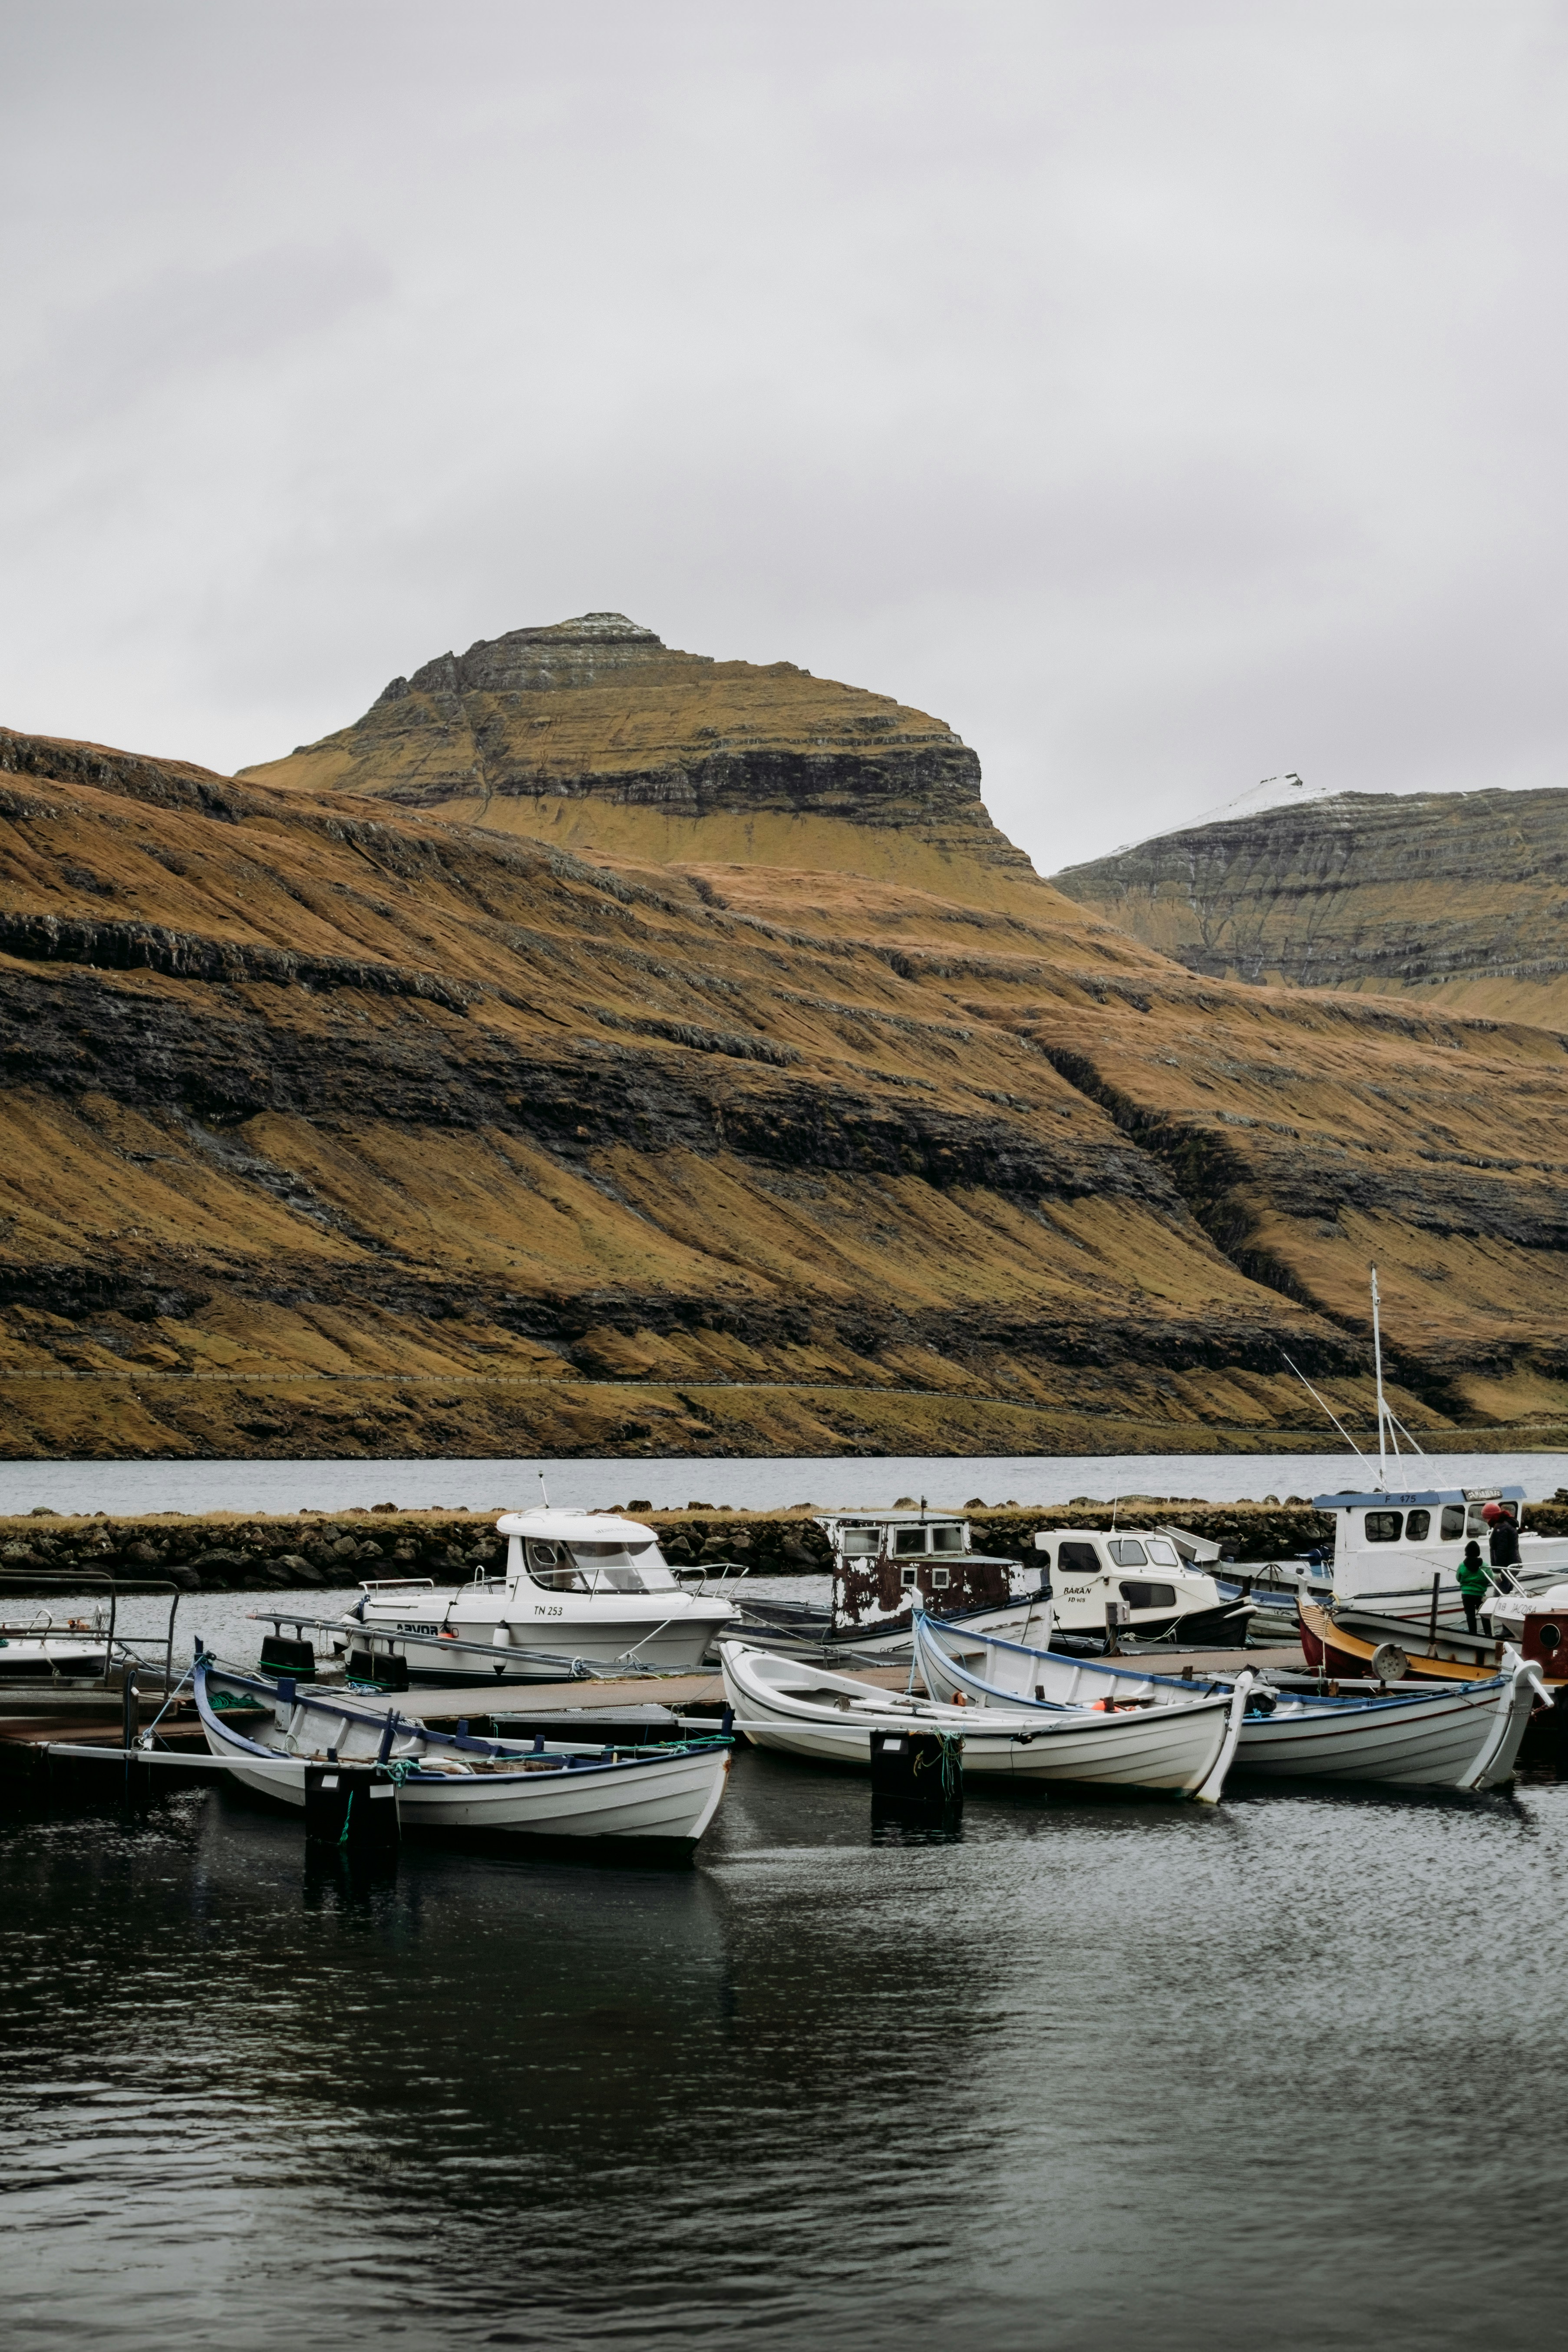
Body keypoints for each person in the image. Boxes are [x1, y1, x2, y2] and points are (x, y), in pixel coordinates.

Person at [1456, 1538, 1491, 1636]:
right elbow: (1490, 1579)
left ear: (1466, 1553)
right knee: (1484, 1614)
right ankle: (1488, 1634)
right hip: (1480, 1595)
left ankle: (1473, 1634)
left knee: (1470, 1615)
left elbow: (1458, 1578)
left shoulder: (1462, 1566)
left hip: (1467, 1595)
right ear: (1478, 1552)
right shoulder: (1484, 1566)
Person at [1483, 1501, 1522, 1572]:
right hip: (1513, 1564)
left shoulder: (1500, 1528)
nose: (1487, 1521)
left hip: (1507, 1567)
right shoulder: (1507, 1524)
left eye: (1486, 1518)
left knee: (1504, 1583)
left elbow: (1501, 1551)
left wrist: (1498, 1571)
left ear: (1491, 1517)